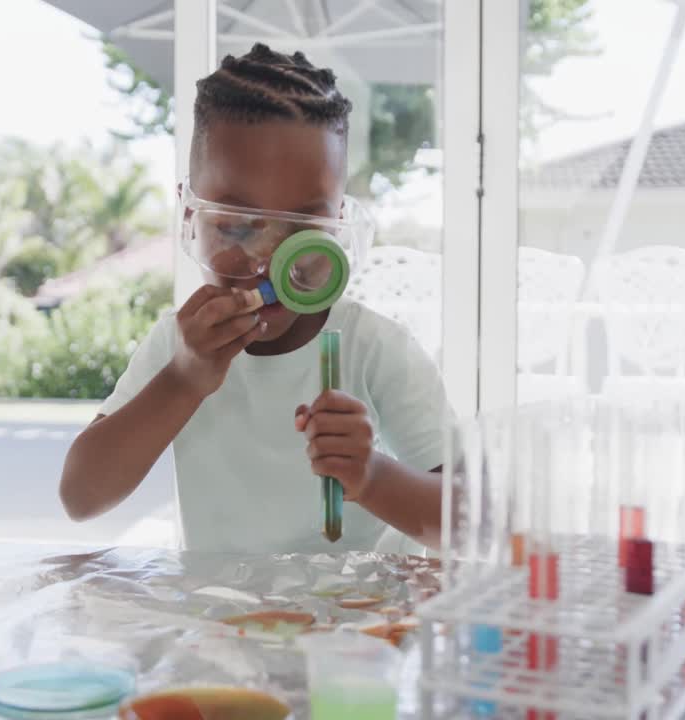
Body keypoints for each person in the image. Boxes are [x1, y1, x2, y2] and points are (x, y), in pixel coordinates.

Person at [59, 44, 450, 554]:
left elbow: (466, 523)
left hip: (357, 623)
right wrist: (182, 381)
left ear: (339, 225)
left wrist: (372, 476)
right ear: (189, 217)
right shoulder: (179, 348)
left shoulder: (371, 348)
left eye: (303, 232)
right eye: (235, 227)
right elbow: (81, 497)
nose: (266, 263)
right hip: (227, 626)